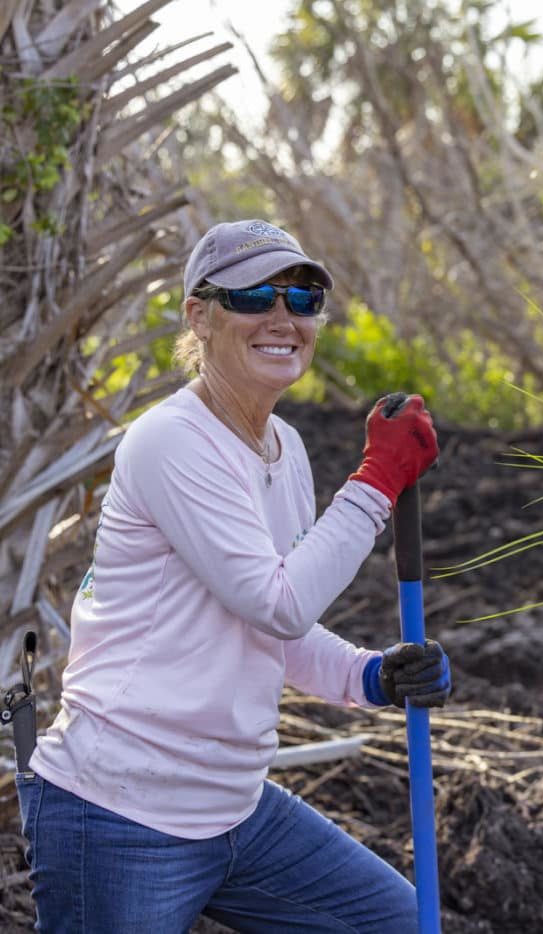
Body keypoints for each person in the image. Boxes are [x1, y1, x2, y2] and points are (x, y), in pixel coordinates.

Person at [16, 219, 448, 933]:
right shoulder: (171, 441)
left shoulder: (286, 446)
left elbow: (274, 623)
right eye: (254, 296)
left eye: (302, 299)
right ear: (199, 314)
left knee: (400, 924)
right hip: (120, 812)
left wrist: (373, 677)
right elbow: (276, 603)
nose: (282, 317)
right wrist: (377, 482)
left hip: (236, 809)